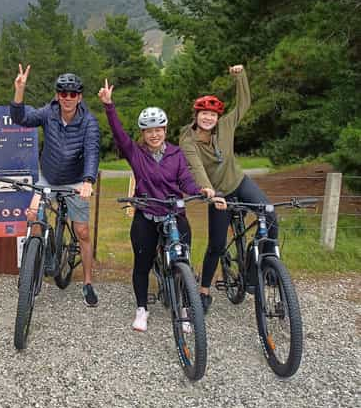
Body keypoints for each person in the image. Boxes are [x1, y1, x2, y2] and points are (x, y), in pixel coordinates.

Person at [98, 79, 224, 332]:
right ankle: (142, 309)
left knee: (183, 263)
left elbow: (186, 180)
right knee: (142, 264)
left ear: (165, 130)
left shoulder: (176, 154)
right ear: (143, 134)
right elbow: (119, 134)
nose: (154, 134)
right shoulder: (136, 153)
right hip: (146, 214)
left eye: (159, 129)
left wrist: (202, 191)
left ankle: (186, 306)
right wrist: (109, 106)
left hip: (174, 213)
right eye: (149, 130)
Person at [179, 64, 275, 314]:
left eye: (213, 115)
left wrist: (241, 77)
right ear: (196, 115)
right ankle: (204, 290)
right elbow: (196, 167)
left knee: (270, 215)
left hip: (239, 182)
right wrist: (209, 192)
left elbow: (244, 103)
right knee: (217, 244)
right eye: (204, 114)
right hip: (218, 192)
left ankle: (261, 269)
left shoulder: (226, 126)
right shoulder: (187, 138)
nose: (208, 118)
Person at [10, 64, 101, 307]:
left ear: (79, 97)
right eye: (63, 93)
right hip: (48, 178)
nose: (68, 98)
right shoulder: (48, 113)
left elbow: (92, 151)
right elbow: (21, 118)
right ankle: (32, 269)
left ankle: (88, 282)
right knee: (33, 217)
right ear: (57, 95)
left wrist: (88, 181)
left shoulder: (89, 122)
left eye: (73, 94)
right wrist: (19, 90)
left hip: (76, 180)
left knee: (82, 232)